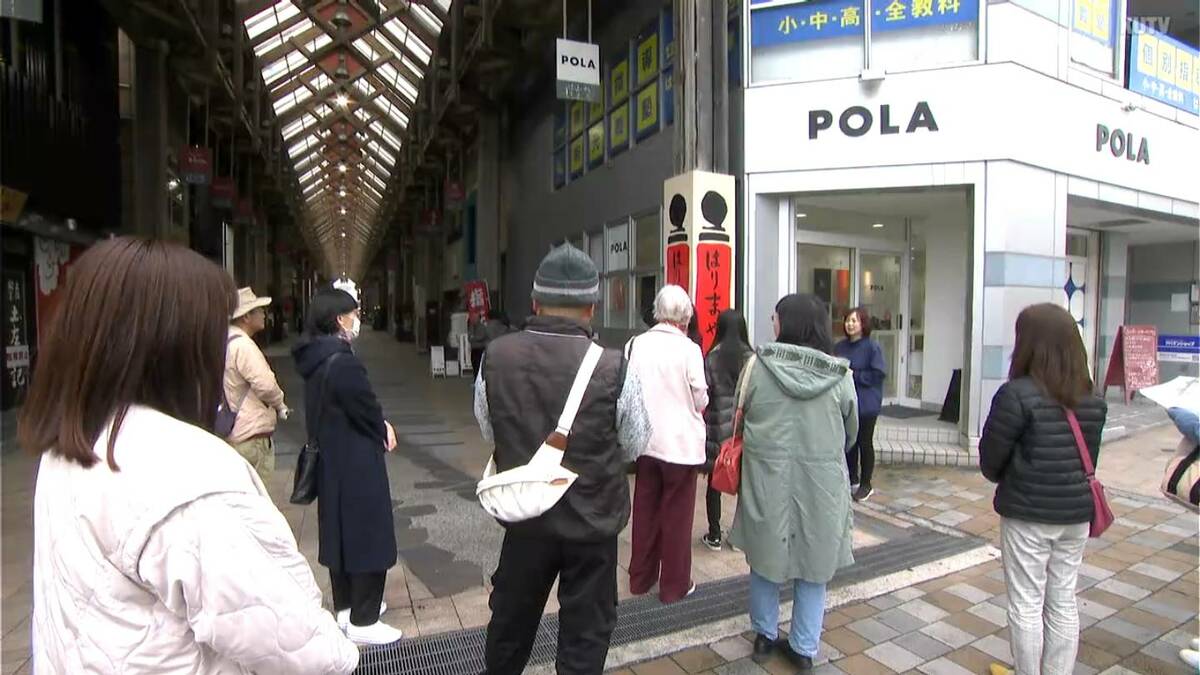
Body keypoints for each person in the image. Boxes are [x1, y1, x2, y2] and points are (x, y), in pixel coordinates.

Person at [20, 237, 359, 674]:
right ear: (173, 343)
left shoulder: (71, 444)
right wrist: (344, 655)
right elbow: (297, 646)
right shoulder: (188, 478)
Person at [474, 243, 650, 675]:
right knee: (585, 637)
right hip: (592, 524)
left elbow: (487, 426)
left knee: (511, 627)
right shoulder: (614, 366)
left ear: (535, 302)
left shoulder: (497, 356)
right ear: (592, 307)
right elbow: (635, 443)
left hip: (526, 520)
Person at [729, 293, 858, 669]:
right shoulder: (840, 375)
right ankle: (803, 648)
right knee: (815, 564)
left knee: (765, 556)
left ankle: (764, 636)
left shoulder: (756, 367)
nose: (772, 323)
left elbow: (740, 413)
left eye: (776, 317)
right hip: (822, 484)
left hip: (766, 477)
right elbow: (850, 435)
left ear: (788, 324)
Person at [979, 303, 1107, 675]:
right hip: (1075, 517)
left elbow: (990, 462)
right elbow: (1089, 462)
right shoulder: (1094, 398)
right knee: (1063, 599)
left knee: (1026, 604)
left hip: (1028, 516)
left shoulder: (1016, 395)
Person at [292, 288, 402, 645]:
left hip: (331, 457)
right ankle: (364, 619)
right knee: (370, 531)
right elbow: (365, 407)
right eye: (355, 313)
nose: (359, 319)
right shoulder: (344, 361)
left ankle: (346, 608)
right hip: (357, 459)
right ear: (340, 318)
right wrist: (383, 427)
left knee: (339, 529)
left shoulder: (314, 358)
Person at [626, 286, 708, 603]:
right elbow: (700, 396)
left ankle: (640, 578)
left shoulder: (635, 345)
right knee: (676, 517)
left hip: (645, 442)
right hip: (681, 446)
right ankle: (674, 585)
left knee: (645, 511)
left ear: (657, 311)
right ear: (686, 316)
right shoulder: (689, 350)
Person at [224, 287, 290, 486]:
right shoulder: (244, 346)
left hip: (231, 429)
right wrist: (280, 404)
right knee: (259, 496)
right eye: (259, 310)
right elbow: (266, 385)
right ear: (246, 317)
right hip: (250, 434)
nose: (264, 314)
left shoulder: (224, 340)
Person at [701, 310, 754, 550]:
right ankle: (740, 536)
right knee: (746, 484)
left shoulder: (711, 358)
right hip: (744, 430)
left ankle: (714, 534)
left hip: (717, 430)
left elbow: (704, 394)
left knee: (715, 480)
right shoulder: (752, 358)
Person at [833, 307, 887, 501]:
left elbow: (878, 373)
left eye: (854, 320)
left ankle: (866, 483)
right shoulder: (839, 347)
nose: (850, 324)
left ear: (863, 323)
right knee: (849, 443)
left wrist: (855, 376)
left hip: (866, 404)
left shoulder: (872, 347)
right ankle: (851, 479)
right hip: (845, 403)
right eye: (848, 320)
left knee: (865, 442)